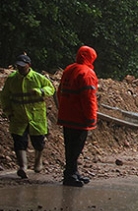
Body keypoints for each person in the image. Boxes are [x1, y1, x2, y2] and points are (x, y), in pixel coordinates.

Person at [0, 54, 55, 178]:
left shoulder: (38, 78)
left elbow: (51, 88)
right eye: (18, 66)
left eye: (22, 66)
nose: (20, 68)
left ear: (29, 66)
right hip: (18, 116)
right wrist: (7, 111)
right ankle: (22, 167)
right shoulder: (12, 79)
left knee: (38, 142)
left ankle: (37, 162)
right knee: (19, 141)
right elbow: (4, 96)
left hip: (36, 116)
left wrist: (41, 91)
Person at [56, 46, 98, 187]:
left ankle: (73, 172)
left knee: (70, 146)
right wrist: (91, 118)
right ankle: (70, 175)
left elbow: (59, 91)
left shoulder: (69, 69)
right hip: (79, 118)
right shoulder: (87, 73)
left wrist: (62, 108)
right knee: (76, 148)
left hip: (66, 115)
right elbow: (89, 98)